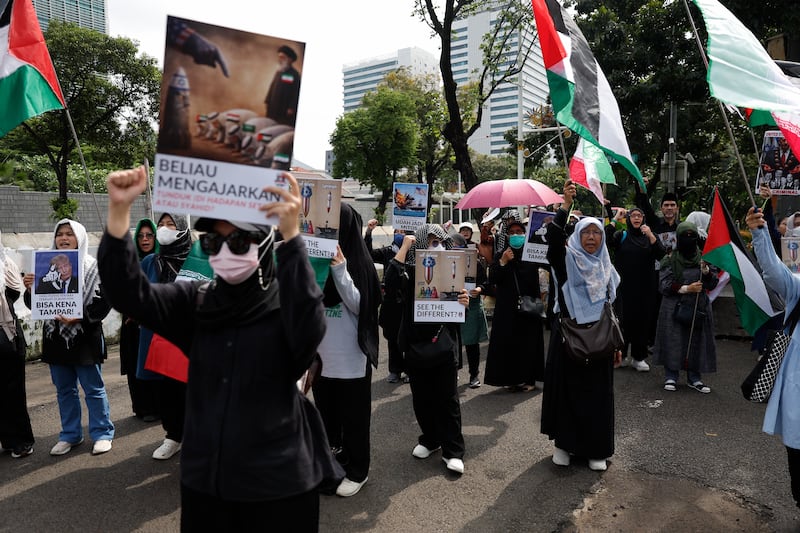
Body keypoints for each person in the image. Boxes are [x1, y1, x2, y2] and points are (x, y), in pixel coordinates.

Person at [99, 166, 342, 530]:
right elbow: (130, 295)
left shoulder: (285, 305)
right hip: (207, 484)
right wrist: (119, 212)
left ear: (262, 245)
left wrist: (292, 236)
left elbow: (309, 325)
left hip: (279, 484)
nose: (226, 250)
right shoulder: (195, 302)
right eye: (214, 242)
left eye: (239, 241)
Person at [541, 180, 622, 472]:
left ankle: (595, 449)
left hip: (599, 340)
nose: (591, 237)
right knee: (568, 393)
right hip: (570, 338)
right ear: (576, 236)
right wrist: (565, 206)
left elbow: (613, 306)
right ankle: (565, 445)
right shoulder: (567, 260)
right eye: (585, 232)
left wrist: (616, 344)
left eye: (596, 233)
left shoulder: (606, 267)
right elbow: (551, 243)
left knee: (597, 396)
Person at [23, 219, 115, 456]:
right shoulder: (45, 267)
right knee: (64, 390)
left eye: (69, 234)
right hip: (55, 338)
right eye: (60, 234)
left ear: (80, 238)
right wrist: (30, 288)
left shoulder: (93, 267)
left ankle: (102, 433)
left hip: (85, 337)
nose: (63, 238)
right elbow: (34, 305)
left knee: (93, 388)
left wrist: (80, 318)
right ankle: (70, 435)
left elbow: (104, 303)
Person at [385, 224, 469, 475]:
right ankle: (430, 440)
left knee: (448, 400)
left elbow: (455, 311)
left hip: (443, 345)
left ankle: (453, 450)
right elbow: (390, 280)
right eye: (431, 242)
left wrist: (463, 302)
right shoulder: (409, 274)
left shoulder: (451, 273)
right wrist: (406, 245)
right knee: (421, 399)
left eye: (441, 241)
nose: (438, 246)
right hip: (414, 345)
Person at [313, 204, 381, 498]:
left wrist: (340, 271)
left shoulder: (359, 263)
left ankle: (358, 470)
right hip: (321, 358)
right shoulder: (315, 258)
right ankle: (337, 462)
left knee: (354, 419)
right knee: (328, 416)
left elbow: (362, 307)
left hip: (350, 358)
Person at [747, 205, 800, 509]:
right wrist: (759, 232)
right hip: (797, 385)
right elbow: (773, 270)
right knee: (797, 451)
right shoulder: (797, 287)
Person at [139, 212, 193, 461]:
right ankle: (173, 436)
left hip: (195, 336)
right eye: (161, 224)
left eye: (171, 224)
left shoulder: (199, 258)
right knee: (168, 390)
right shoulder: (151, 261)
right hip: (163, 336)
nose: (164, 229)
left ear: (183, 228)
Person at [653, 221, 719, 393]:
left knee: (697, 340)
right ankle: (671, 376)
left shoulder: (704, 258)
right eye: (685, 236)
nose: (689, 240)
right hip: (674, 305)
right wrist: (686, 289)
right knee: (673, 340)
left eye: (692, 236)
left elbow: (712, 283)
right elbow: (664, 285)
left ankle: (695, 378)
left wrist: (706, 272)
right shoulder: (669, 259)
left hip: (699, 305)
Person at [483, 219, 544, 391]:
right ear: (507, 235)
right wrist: (503, 262)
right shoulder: (501, 254)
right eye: (512, 232)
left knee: (529, 342)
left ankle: (530, 380)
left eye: (520, 231)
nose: (516, 235)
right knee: (508, 343)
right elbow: (493, 279)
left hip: (529, 304)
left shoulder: (531, 253)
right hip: (507, 308)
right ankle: (511, 378)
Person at [605, 205, 666, 371]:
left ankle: (639, 357)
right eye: (633, 216)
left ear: (643, 218)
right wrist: (616, 218)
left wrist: (651, 235)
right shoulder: (622, 235)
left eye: (640, 216)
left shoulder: (649, 236)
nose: (637, 218)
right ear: (629, 219)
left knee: (642, 322)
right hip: (624, 288)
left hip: (645, 288)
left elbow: (661, 254)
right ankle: (622, 355)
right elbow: (606, 240)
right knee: (623, 321)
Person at [118, 219, 159, 422]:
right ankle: (141, 407)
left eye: (149, 235)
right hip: (131, 323)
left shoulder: (161, 262)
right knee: (135, 364)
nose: (144, 239)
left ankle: (157, 407)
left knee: (154, 363)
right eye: (141, 236)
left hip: (153, 324)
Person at [0, 232, 35, 458]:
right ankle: (7, 439)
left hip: (6, 335)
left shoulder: (6, 263)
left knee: (13, 391)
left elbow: (15, 291)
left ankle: (21, 441)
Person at [364, 219, 407, 383]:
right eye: (398, 231)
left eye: (404, 232)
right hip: (391, 302)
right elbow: (368, 253)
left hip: (407, 301)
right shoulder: (387, 251)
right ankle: (395, 370)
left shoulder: (414, 252)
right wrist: (369, 232)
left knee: (408, 336)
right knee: (392, 336)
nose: (400, 234)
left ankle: (409, 369)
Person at [450, 232, 488, 388]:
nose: (453, 249)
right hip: (451, 304)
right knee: (453, 341)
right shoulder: (445, 262)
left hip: (471, 305)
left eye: (456, 245)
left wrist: (479, 289)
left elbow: (485, 282)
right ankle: (453, 373)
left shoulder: (475, 263)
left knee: (471, 342)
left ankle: (474, 374)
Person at [264, 45, 301, 127]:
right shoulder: (279, 71)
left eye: (282, 57)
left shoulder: (294, 74)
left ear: (290, 59)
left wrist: (292, 107)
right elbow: (272, 86)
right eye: (279, 57)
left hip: (285, 109)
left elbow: (296, 92)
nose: (280, 60)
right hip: (273, 106)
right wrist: (267, 100)